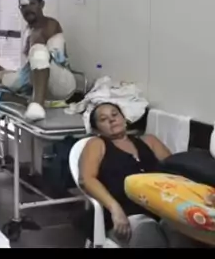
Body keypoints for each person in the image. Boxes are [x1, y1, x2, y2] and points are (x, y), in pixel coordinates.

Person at [78, 102, 204, 247]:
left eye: (114, 114)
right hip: (125, 211)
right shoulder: (97, 144)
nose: (111, 120)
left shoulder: (150, 141)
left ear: (124, 118)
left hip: (160, 207)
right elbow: (86, 179)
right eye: (103, 119)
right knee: (148, 232)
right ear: (96, 129)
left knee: (182, 233)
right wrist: (115, 209)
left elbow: (175, 172)